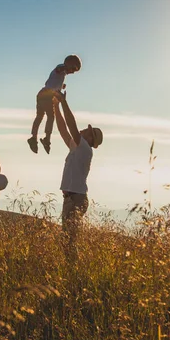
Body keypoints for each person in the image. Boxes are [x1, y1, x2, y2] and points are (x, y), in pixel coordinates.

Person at [53, 91, 103, 258]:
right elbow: (63, 129)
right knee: (68, 239)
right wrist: (56, 107)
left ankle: (73, 270)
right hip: (74, 198)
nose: (83, 130)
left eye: (87, 131)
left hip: (75, 198)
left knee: (70, 241)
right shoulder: (78, 148)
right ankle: (72, 268)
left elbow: (71, 126)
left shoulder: (84, 148)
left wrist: (64, 103)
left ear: (90, 139)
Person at [28, 54, 82, 154]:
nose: (73, 72)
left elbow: (51, 81)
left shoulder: (61, 74)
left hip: (42, 94)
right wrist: (65, 67)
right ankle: (46, 139)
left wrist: (61, 85)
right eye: (74, 69)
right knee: (50, 116)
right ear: (68, 64)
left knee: (39, 116)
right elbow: (59, 70)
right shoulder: (60, 68)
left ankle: (33, 137)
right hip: (47, 95)